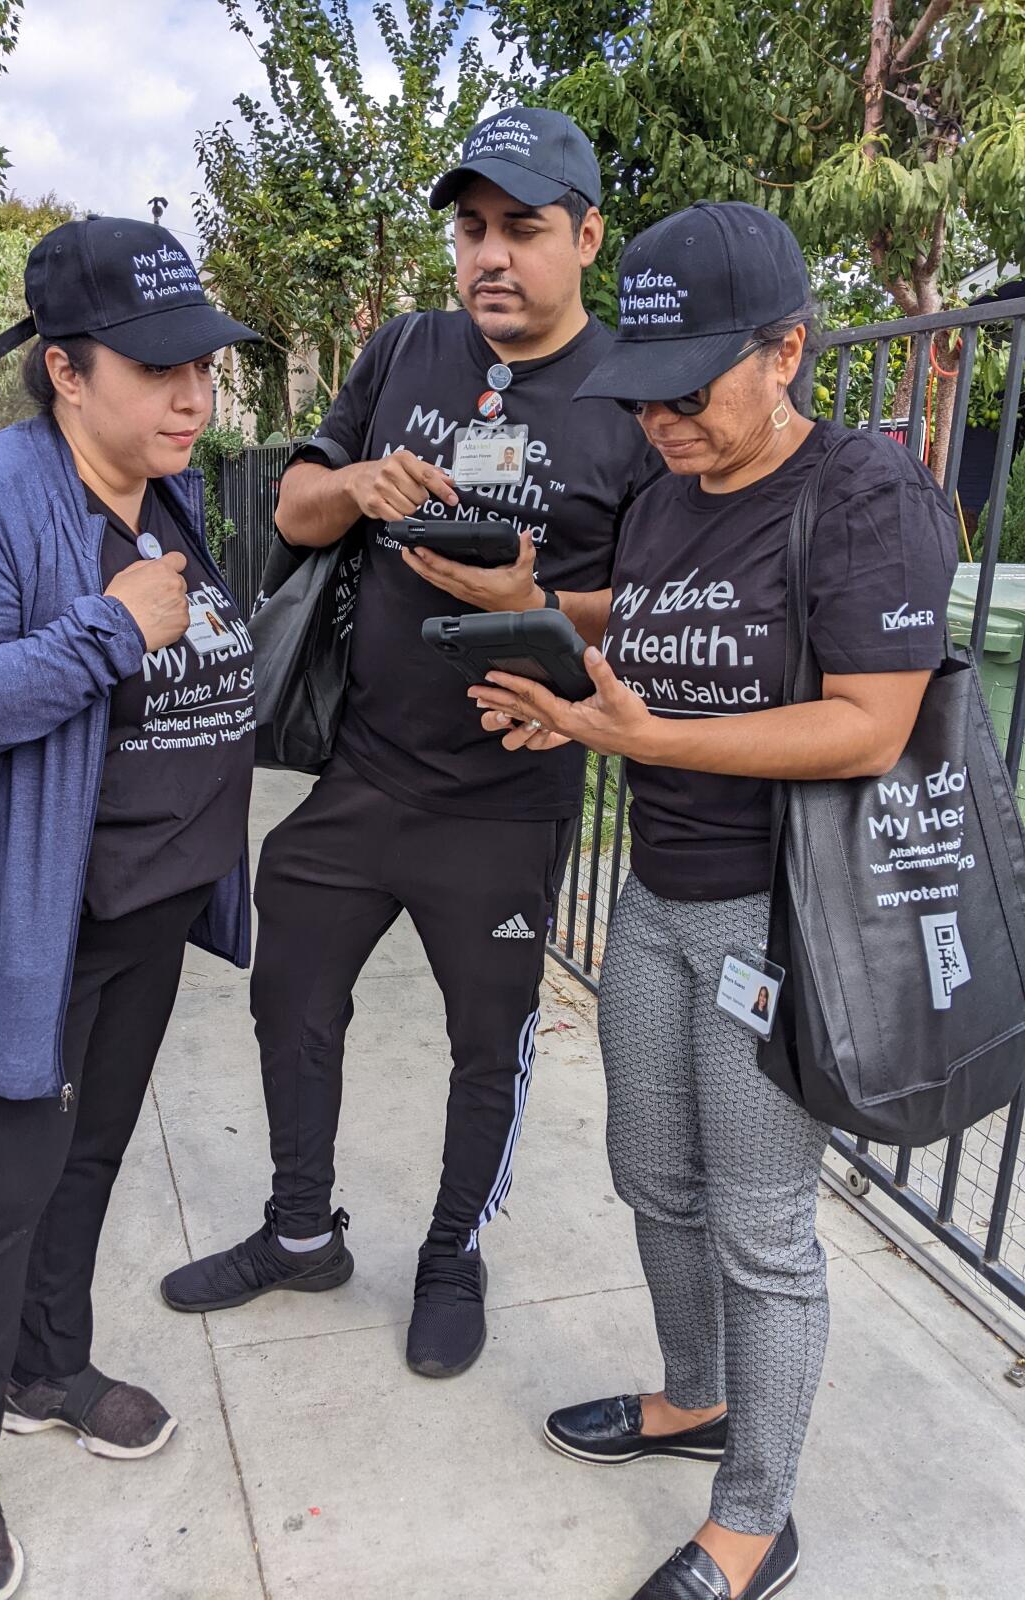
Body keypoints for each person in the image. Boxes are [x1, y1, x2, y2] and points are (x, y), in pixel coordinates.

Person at [472, 201, 957, 1599]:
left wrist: (640, 741)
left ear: (788, 350)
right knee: (651, 1174)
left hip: (781, 919)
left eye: (694, 391)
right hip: (660, 897)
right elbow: (658, 621)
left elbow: (868, 725)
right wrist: (544, 641)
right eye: (649, 392)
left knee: (760, 1224)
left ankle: (758, 1515)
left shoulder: (866, 498)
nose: (666, 421)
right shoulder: (673, 493)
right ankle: (697, 1396)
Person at [160, 106, 662, 1378]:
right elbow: (293, 502)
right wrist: (360, 483)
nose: (490, 256)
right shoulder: (407, 348)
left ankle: (451, 1250)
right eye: (471, 228)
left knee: (488, 1043)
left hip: (508, 792)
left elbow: (659, 596)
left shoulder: (632, 398)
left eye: (523, 229)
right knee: (290, 992)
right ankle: (298, 1226)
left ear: (587, 237)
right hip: (366, 770)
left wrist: (535, 607)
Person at [0, 217, 258, 1600]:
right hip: (7, 928)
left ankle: (50, 1365)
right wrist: (109, 629)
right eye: (157, 369)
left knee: (86, 1157)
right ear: (65, 371)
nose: (191, 394)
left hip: (137, 913)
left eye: (202, 365)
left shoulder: (167, 493)